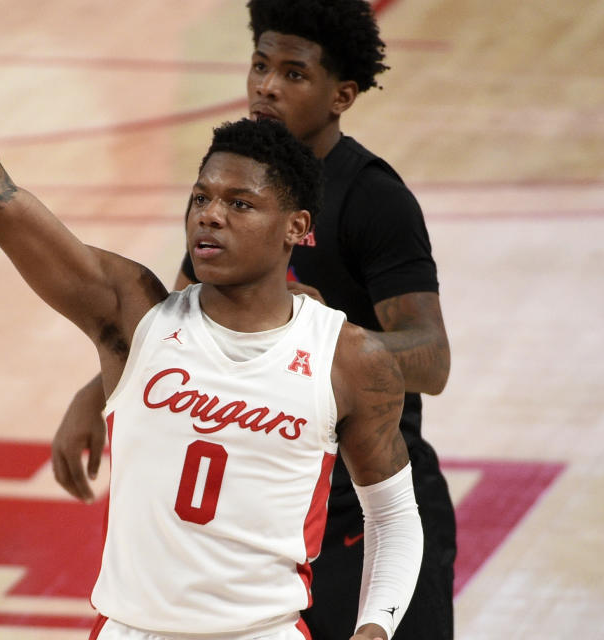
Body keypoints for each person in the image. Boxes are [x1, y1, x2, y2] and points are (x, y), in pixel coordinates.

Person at [0, 22, 424, 640]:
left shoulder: (347, 358)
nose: (210, 215)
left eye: (240, 203)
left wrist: (375, 626)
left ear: (295, 226)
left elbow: (393, 515)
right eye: (201, 196)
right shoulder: (136, 315)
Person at [50, 1, 455, 639]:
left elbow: (431, 360)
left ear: (340, 95)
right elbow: (177, 326)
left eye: (293, 74)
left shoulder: (376, 198)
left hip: (361, 499)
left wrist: (318, 338)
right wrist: (94, 392)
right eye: (260, 66)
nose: (266, 85)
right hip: (269, 500)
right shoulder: (233, 201)